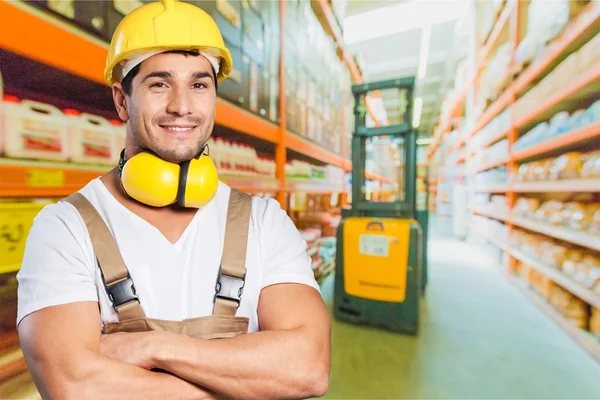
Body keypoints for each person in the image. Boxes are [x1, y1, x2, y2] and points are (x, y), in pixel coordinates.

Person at [15, 1, 331, 399]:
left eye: (199, 84)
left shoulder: (264, 221)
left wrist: (152, 346)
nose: (182, 106)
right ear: (121, 99)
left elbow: (308, 367)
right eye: (159, 84)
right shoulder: (65, 226)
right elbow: (74, 385)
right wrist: (247, 380)